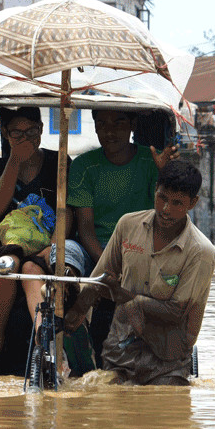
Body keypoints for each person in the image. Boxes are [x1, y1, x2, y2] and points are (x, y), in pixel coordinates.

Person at [65, 159, 215, 386]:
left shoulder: (201, 251)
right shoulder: (128, 225)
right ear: (155, 190)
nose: (166, 209)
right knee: (100, 393)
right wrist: (74, 312)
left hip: (168, 361)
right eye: (162, 198)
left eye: (177, 203)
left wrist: (123, 295)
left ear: (192, 203)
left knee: (164, 398)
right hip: (120, 354)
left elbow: (177, 312)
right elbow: (99, 280)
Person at [66, 109, 177, 363]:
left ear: (132, 125)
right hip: (95, 249)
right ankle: (69, 330)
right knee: (66, 252)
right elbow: (86, 228)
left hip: (138, 249)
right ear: (95, 127)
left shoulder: (152, 161)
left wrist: (163, 174)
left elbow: (163, 217)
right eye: (102, 124)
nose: (110, 131)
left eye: (118, 123)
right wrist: (108, 264)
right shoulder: (84, 165)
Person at [0, 106, 73, 370]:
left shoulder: (58, 163)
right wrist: (15, 160)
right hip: (7, 247)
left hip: (46, 246)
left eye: (31, 132)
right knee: (7, 264)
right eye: (17, 134)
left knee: (32, 269)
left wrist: (54, 245)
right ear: (6, 134)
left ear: (41, 130)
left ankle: (47, 343)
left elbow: (68, 211)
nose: (25, 139)